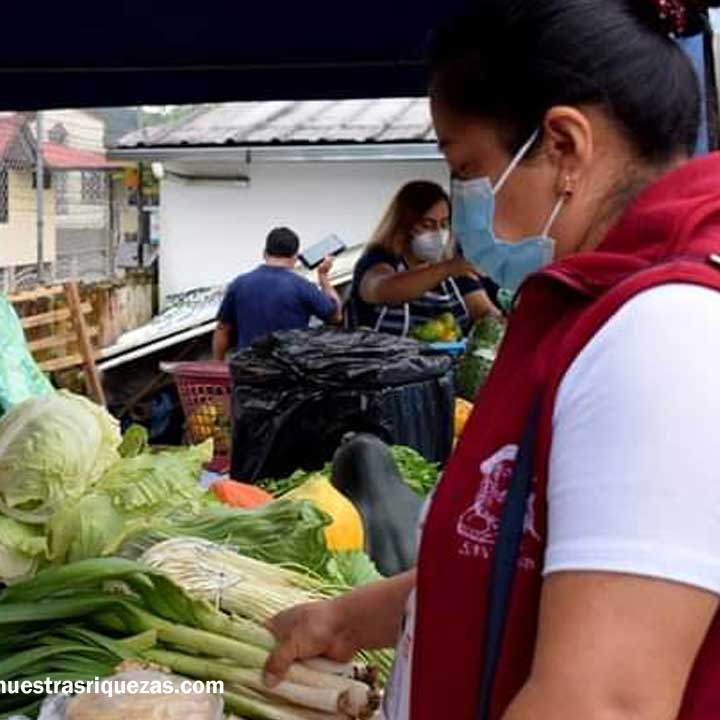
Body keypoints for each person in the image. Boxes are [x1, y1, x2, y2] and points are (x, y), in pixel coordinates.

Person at [263, 1, 720, 719]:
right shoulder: (595, 309)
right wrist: (349, 620)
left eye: (466, 169)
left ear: (563, 146)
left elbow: (603, 703)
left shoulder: (664, 334)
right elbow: (533, 572)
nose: (466, 210)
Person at [349, 180, 502, 335]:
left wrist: (497, 325)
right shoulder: (379, 259)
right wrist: (446, 269)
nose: (438, 233)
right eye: (427, 225)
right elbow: (382, 289)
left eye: (444, 224)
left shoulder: (454, 264)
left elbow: (482, 310)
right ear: (403, 226)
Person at [212, 227, 341, 359]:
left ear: (264, 253)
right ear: (295, 257)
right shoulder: (302, 286)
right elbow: (335, 316)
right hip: (287, 366)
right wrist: (323, 275)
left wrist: (217, 364)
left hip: (249, 366)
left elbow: (222, 328)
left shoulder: (239, 284)